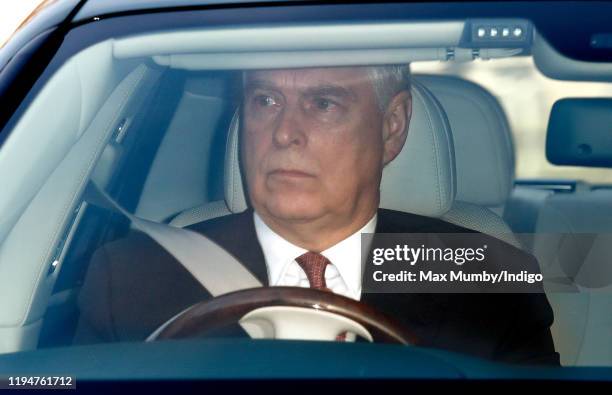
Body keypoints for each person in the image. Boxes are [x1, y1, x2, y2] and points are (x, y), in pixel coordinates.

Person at [75, 65, 560, 365]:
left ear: (392, 128)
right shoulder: (132, 278)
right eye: (265, 101)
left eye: (323, 103)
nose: (284, 133)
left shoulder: (485, 279)